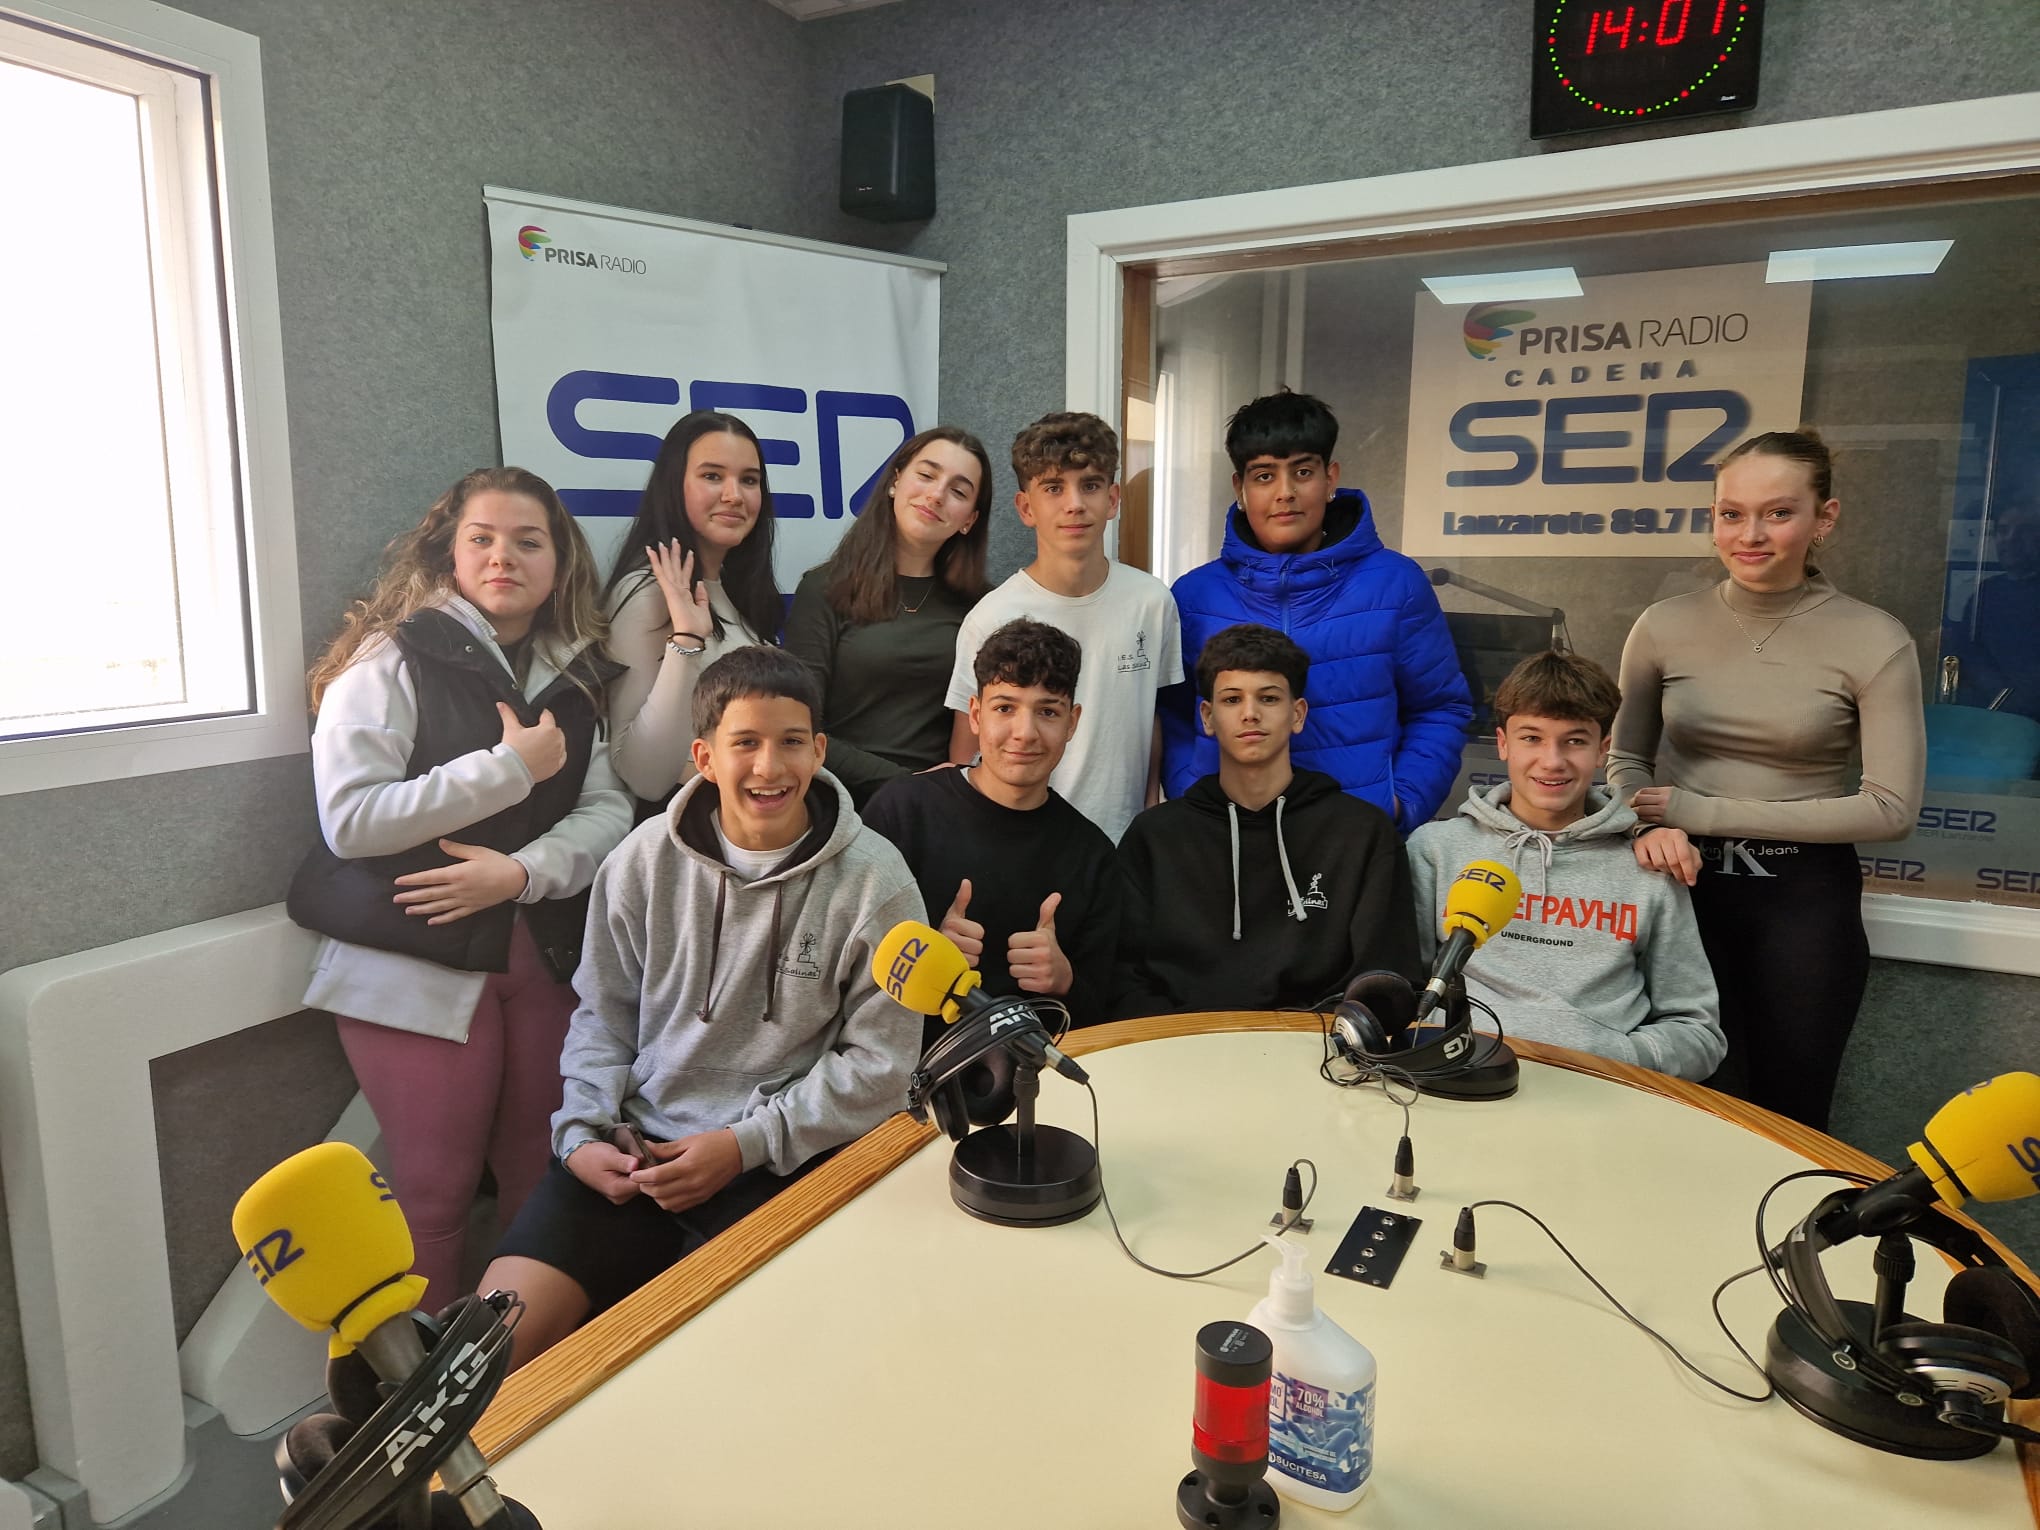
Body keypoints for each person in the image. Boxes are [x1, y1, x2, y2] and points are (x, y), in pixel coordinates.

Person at [480, 645, 925, 1366]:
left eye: (789, 743)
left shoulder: (879, 882)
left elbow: (881, 1067)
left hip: (782, 1168)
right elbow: (602, 1017)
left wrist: (744, 1146)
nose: (769, 768)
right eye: (744, 743)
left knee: (736, 1373)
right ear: (704, 757)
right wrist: (584, 1136)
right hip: (634, 1151)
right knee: (489, 1351)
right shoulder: (640, 860)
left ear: (819, 750)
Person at [287, 467, 632, 1308]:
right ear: (449, 551)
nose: (503, 556)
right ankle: (426, 1409)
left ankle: (518, 1384)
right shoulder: (390, 656)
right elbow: (352, 821)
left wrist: (521, 873)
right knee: (435, 1195)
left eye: (527, 540)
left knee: (536, 1176)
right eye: (482, 537)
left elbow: (609, 806)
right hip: (415, 960)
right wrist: (506, 770)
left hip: (540, 950)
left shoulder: (578, 672)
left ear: (559, 562)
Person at [1608, 429, 1926, 1129]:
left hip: (1802, 905)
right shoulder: (1664, 625)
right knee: (1682, 1109)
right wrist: (1648, 822)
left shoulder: (1874, 637)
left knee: (1790, 1119)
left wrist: (1701, 810)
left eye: (1778, 513)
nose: (1750, 535)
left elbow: (1891, 808)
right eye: (1731, 514)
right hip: (1679, 891)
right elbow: (1624, 760)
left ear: (1825, 518)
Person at [1161, 390, 1471, 833]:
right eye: (1264, 476)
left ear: (1330, 479)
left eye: (1302, 472)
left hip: (1354, 845)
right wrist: (1191, 792)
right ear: (1240, 490)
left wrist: (1399, 804)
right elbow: (1173, 715)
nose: (1285, 493)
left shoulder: (1395, 584)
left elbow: (1440, 708)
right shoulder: (1195, 597)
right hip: (1224, 839)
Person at [1406, 651, 1724, 1081]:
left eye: (1574, 740)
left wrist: (1611, 1057)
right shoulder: (1436, 850)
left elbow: (1699, 1033)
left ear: (1602, 750)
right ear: (1502, 744)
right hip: (1460, 1079)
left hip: (1598, 1092)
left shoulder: (1650, 867)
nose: (1552, 761)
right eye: (1531, 738)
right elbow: (1404, 990)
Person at [1114, 624, 1419, 1018]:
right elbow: (1122, 976)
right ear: (1207, 717)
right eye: (1231, 699)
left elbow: (1384, 979)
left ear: (1297, 714)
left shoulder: (1362, 834)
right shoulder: (1155, 836)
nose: (1250, 713)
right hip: (1180, 1050)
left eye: (1269, 698)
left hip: (1319, 1059)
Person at [864, 618, 1119, 1048]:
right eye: (1005, 708)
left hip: (1036, 1085)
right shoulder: (903, 812)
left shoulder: (1092, 853)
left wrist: (1064, 980)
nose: (1025, 732)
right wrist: (925, 961)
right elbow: (838, 970)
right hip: (905, 1081)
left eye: (1048, 711)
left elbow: (1109, 1009)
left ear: (1072, 723)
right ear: (976, 715)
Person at [944, 411, 1182, 843]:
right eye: (1053, 488)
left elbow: (1149, 717)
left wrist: (1149, 816)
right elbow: (968, 749)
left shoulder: (1153, 601)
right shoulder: (991, 616)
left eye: (1089, 485)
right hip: (1023, 842)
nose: (1074, 503)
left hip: (1124, 844)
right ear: (1026, 507)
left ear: (1112, 499)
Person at [786, 427, 992, 807]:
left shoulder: (984, 607)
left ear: (969, 520)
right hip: (836, 806)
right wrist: (907, 783)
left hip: (935, 814)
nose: (936, 495)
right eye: (926, 475)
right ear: (895, 481)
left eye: (958, 491)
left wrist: (937, 793)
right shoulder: (824, 589)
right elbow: (796, 727)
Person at [602, 410, 784, 806]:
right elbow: (644, 777)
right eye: (712, 476)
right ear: (674, 485)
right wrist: (686, 639)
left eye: (749, 480)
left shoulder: (740, 592)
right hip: (694, 837)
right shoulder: (647, 593)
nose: (734, 495)